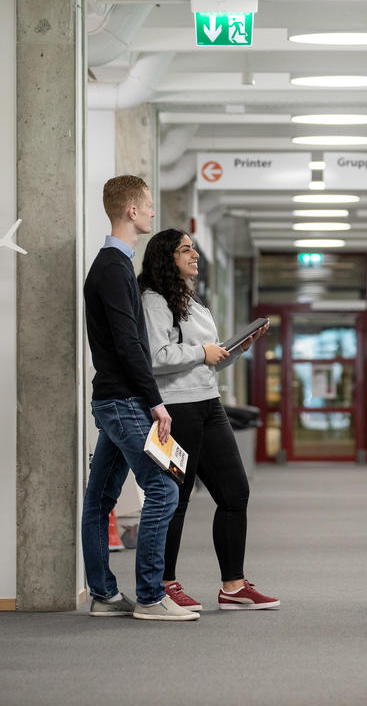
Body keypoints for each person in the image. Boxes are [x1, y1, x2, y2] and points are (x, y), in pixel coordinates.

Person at [139, 228, 279, 612]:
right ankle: (163, 584)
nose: (195, 255)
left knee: (235, 493)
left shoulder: (192, 301)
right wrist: (204, 351)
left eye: (194, 248)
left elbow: (206, 358)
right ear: (166, 257)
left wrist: (235, 350)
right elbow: (156, 357)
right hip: (175, 408)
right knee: (176, 499)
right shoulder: (154, 300)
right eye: (186, 249)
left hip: (208, 403)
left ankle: (233, 586)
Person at [81, 175, 197, 621]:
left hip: (113, 399)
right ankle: (150, 596)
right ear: (130, 210)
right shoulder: (112, 267)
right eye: (148, 205)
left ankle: (104, 595)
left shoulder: (115, 265)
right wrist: (155, 401)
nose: (152, 211)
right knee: (164, 490)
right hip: (123, 401)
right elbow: (131, 345)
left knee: (100, 499)